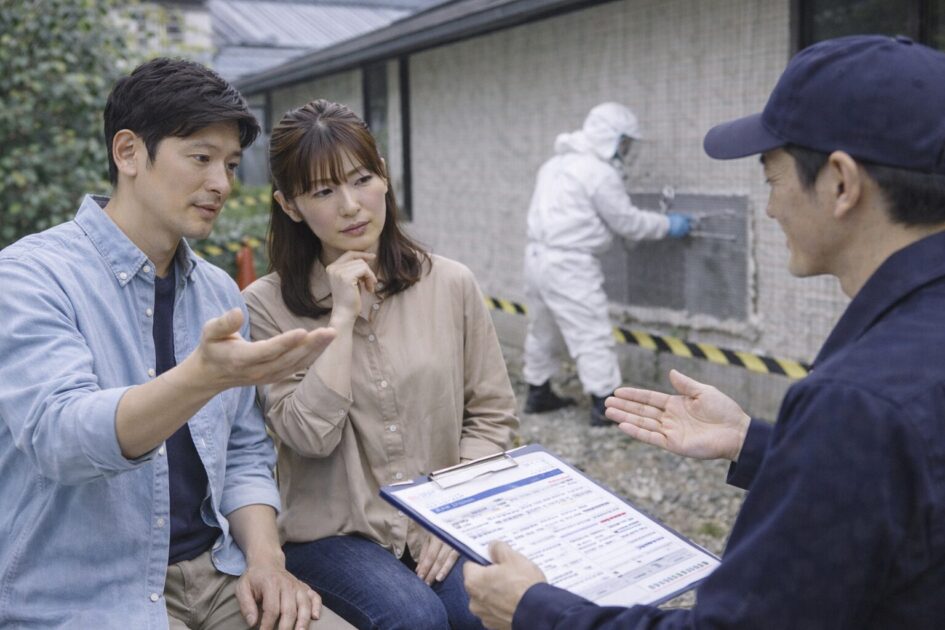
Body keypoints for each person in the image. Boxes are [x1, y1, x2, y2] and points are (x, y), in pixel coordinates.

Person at [463, 34, 945, 629]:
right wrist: (767, 442)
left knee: (558, 334)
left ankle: (579, 396)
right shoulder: (895, 374)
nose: (769, 210)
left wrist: (532, 610)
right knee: (575, 331)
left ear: (841, 184)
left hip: (541, 260)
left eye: (771, 180)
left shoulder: (857, 401)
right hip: (568, 261)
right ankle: (581, 395)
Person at [0, 58, 354, 630]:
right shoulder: (29, 276)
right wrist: (201, 378)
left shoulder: (217, 292)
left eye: (232, 164)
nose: (221, 182)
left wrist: (266, 561)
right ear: (129, 152)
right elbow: (60, 437)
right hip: (86, 593)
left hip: (220, 574)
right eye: (200, 158)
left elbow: (243, 452)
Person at [242, 99, 518, 630]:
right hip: (328, 537)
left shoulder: (451, 283)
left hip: (440, 518)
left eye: (362, 179)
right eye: (323, 191)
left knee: (484, 611)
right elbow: (307, 436)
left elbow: (491, 416)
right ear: (291, 205)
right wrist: (342, 318)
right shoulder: (265, 305)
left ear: (385, 177)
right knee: (414, 617)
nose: (351, 205)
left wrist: (453, 514)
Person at [522, 102, 692, 426]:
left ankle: (537, 391)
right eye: (624, 142)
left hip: (535, 259)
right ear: (609, 138)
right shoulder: (598, 173)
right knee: (591, 333)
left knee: (542, 329)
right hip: (569, 263)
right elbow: (628, 223)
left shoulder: (555, 164)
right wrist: (669, 224)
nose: (625, 150)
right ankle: (604, 405)